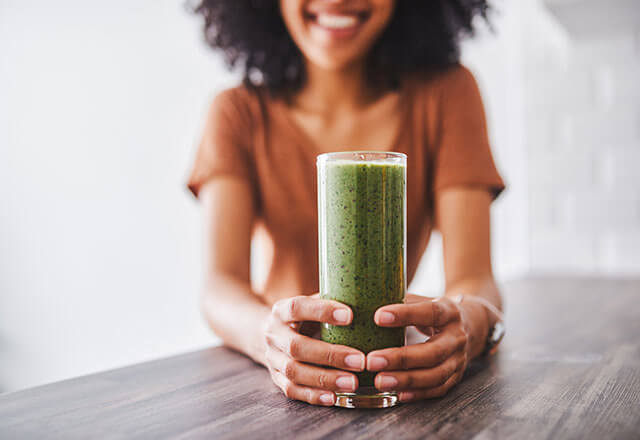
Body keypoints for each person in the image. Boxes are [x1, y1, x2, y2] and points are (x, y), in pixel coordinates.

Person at [187, 0, 505, 406]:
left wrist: (470, 326)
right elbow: (219, 285)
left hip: (386, 369)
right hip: (281, 384)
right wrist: (269, 340)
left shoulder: (445, 94)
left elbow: (475, 278)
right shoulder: (238, 112)